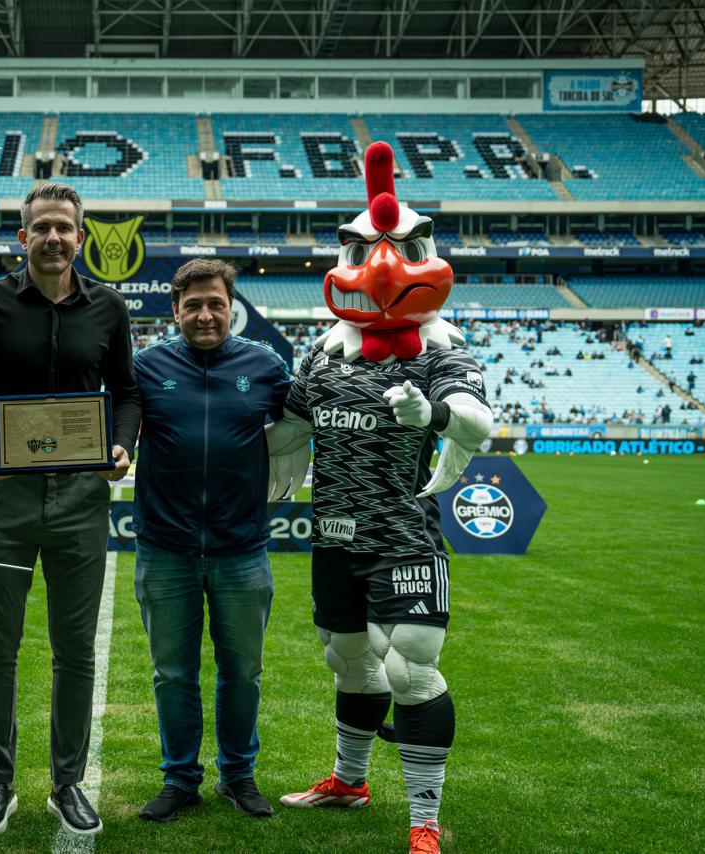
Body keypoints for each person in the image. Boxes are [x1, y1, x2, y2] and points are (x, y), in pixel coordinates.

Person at [276, 142, 493, 854]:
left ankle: (425, 822)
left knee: (411, 665)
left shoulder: (440, 352)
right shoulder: (323, 355)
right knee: (349, 661)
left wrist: (430, 415)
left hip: (404, 536)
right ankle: (350, 779)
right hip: (334, 534)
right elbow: (285, 426)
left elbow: (475, 421)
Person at [0, 182, 141, 837]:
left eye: (65, 227)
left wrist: (121, 443)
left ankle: (67, 782)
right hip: (5, 496)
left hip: (82, 498)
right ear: (23, 237)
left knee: (74, 650)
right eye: (42, 227)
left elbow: (129, 394)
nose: (55, 237)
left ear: (79, 238)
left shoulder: (108, 309)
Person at [130, 259, 306, 823]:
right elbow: (109, 428)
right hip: (165, 548)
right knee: (173, 673)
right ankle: (180, 778)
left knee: (243, 673)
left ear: (233, 308)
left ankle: (238, 775)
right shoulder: (147, 366)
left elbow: (306, 422)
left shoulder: (266, 364)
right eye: (193, 306)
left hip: (242, 548)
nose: (205, 315)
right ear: (175, 310)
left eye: (216, 305)